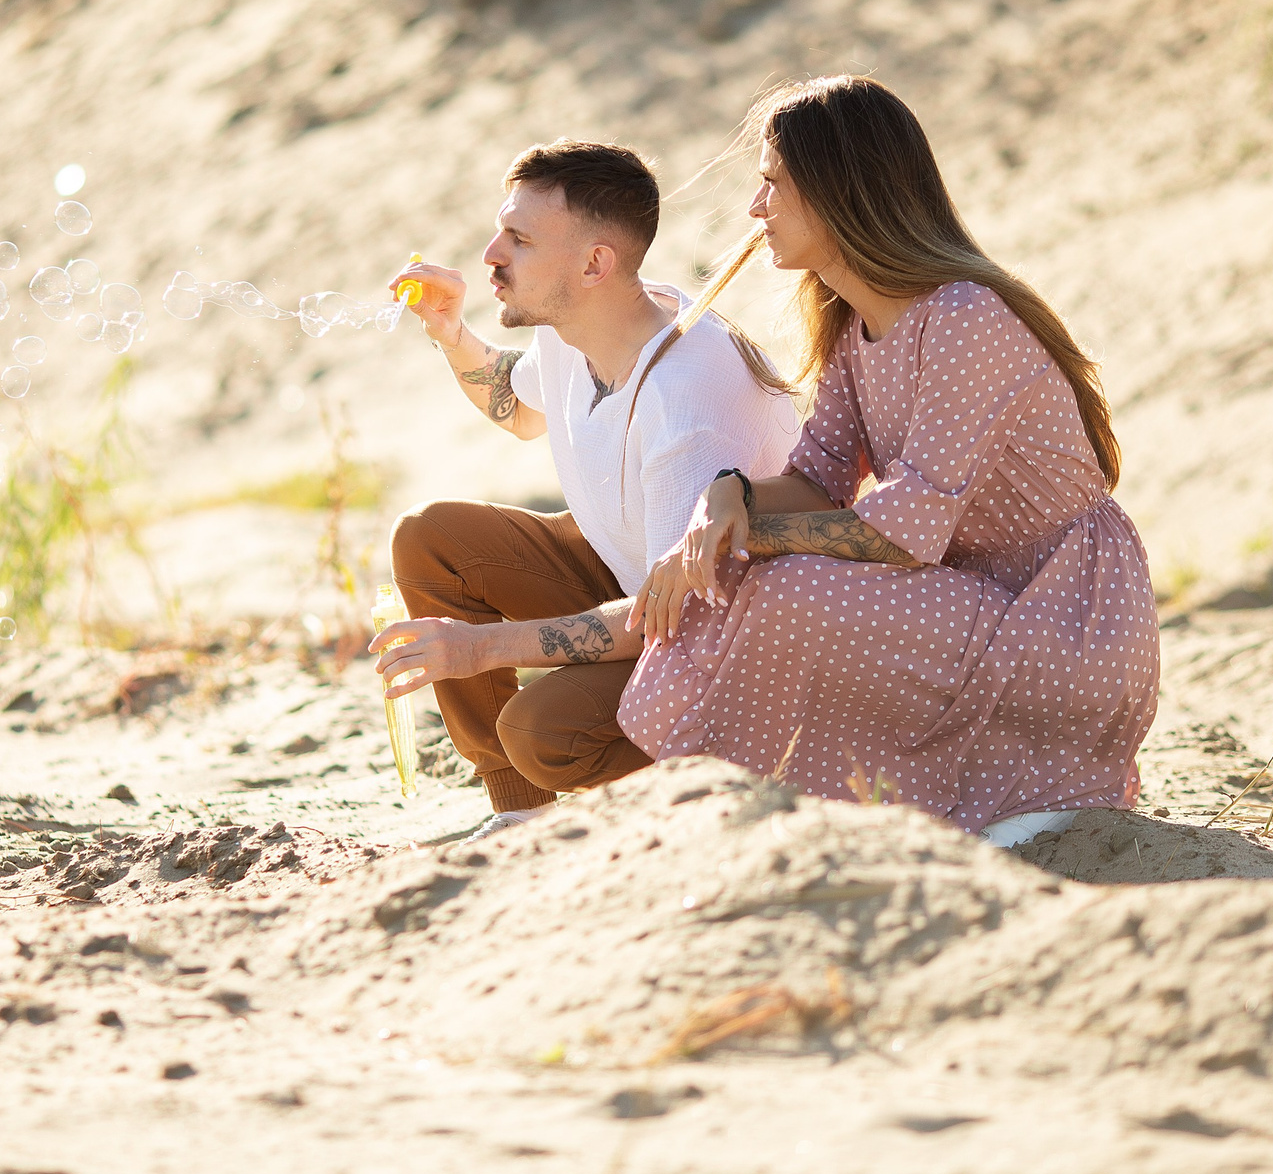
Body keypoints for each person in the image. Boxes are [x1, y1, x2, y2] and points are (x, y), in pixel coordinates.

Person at [618, 77, 1161, 844]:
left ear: (839, 189)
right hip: (973, 596)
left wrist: (744, 539)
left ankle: (761, 811)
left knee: (784, 584)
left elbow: (904, 532)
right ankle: (750, 809)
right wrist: (724, 497)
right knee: (752, 572)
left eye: (772, 183)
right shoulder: (853, 328)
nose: (754, 208)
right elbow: (816, 479)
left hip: (1066, 620)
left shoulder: (964, 317)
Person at [373, 141, 802, 839]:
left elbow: (678, 615)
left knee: (544, 731)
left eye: (518, 238)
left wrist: (479, 649)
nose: (490, 254)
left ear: (594, 263)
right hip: (639, 575)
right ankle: (517, 818)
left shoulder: (688, 398)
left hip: (731, 643)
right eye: (499, 230)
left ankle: (709, 787)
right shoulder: (581, 322)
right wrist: (451, 331)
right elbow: (518, 409)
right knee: (431, 540)